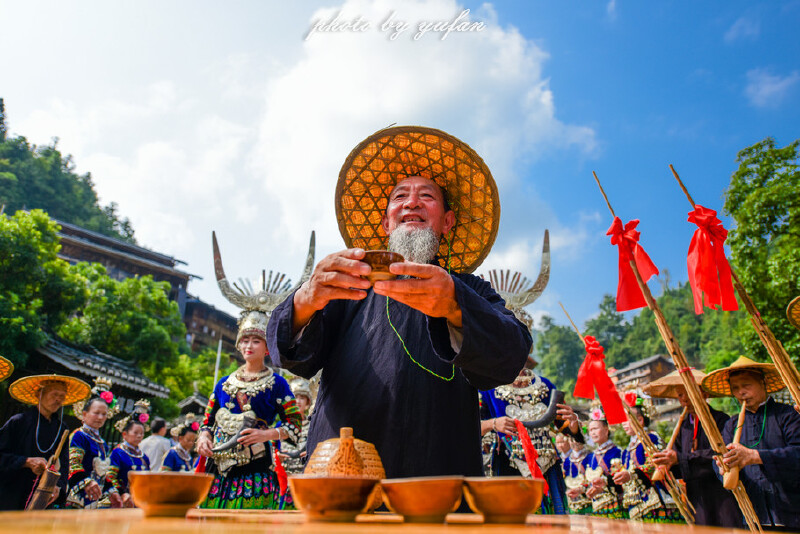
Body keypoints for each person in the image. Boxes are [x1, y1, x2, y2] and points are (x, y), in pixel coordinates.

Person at [268, 126, 532, 479]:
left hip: (439, 479)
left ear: (447, 222)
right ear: (385, 221)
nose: (411, 202)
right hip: (342, 476)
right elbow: (288, 355)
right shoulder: (345, 285)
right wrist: (305, 299)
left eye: (427, 196)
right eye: (400, 196)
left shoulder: (471, 291)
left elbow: (511, 355)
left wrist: (455, 306)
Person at [196, 322, 302, 509]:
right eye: (245, 341)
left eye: (255, 341)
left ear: (267, 348)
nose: (248, 346)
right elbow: (207, 422)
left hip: (256, 466)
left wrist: (266, 435)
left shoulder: (278, 384)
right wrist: (204, 437)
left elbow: (294, 423)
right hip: (218, 466)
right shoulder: (223, 383)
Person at [702, 356, 800, 531]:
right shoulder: (731, 425)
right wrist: (722, 466)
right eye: (736, 389)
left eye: (746, 385)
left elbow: (797, 454)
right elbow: (718, 463)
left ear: (762, 383)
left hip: (792, 514)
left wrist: (754, 456)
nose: (741, 393)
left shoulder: (788, 415)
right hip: (753, 516)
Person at [648, 369, 742, 527]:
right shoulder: (683, 427)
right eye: (680, 395)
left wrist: (680, 459)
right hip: (696, 497)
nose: (684, 400)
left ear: (704, 394)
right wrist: (667, 464)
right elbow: (678, 462)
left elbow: (720, 454)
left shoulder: (721, 420)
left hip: (720, 492)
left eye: (688, 393)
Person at [480, 368, 581, 514]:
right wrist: (493, 424)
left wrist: (573, 424)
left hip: (547, 465)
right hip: (509, 464)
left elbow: (565, 428)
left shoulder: (545, 385)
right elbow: (470, 427)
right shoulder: (486, 388)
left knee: (555, 520)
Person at [0, 374, 90, 510]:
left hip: (44, 499)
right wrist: (26, 461)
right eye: (54, 394)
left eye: (62, 395)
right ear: (39, 394)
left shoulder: (62, 429)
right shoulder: (18, 422)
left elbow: (64, 464)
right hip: (11, 493)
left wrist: (58, 486)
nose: (58, 399)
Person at [615, 401, 681, 523]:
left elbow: (657, 464)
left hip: (657, 500)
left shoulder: (651, 438)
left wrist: (631, 474)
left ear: (640, 420)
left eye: (627, 419)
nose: (623, 424)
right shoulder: (627, 449)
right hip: (636, 502)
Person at [67, 379, 122, 509]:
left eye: (104, 414)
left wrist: (112, 491)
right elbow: (72, 463)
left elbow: (102, 472)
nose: (101, 417)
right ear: (84, 414)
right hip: (75, 496)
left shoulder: (102, 443)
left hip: (93, 499)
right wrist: (86, 482)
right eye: (96, 413)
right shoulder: (79, 435)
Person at [580, 413, 626, 518]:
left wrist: (605, 484)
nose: (593, 433)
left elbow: (620, 480)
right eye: (590, 430)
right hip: (597, 506)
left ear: (606, 430)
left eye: (595, 429)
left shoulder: (617, 452)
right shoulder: (591, 456)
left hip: (614, 505)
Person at [107, 419, 150, 507]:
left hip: (140, 500)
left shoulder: (144, 457)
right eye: (135, 433)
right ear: (125, 434)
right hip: (122, 500)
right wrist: (121, 493)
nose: (139, 436)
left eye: (141, 433)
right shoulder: (118, 452)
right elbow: (110, 476)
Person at [277, 378, 313, 475]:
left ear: (307, 402)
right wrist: (276, 457)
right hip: (284, 478)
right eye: (294, 397)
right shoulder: (280, 426)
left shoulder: (312, 426)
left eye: (302, 398)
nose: (298, 401)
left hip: (306, 476)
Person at [563, 438, 592, 515]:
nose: (575, 442)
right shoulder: (567, 460)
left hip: (588, 500)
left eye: (577, 438)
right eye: (571, 440)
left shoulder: (590, 456)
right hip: (573, 502)